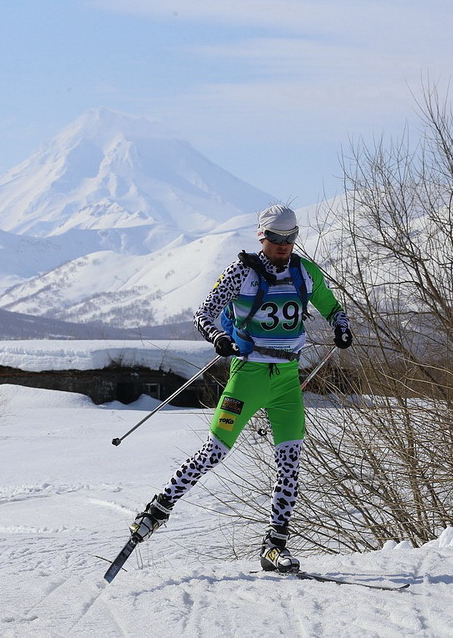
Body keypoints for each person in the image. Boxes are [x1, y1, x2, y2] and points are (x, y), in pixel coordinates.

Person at [128, 204, 353, 572]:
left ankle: (274, 545)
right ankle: (156, 510)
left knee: (290, 464)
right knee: (214, 452)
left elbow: (331, 305)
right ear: (261, 236)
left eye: (290, 238)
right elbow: (203, 314)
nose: (284, 246)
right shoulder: (240, 273)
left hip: (286, 381)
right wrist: (218, 337)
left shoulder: (304, 272)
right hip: (247, 376)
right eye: (277, 239)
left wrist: (341, 324)